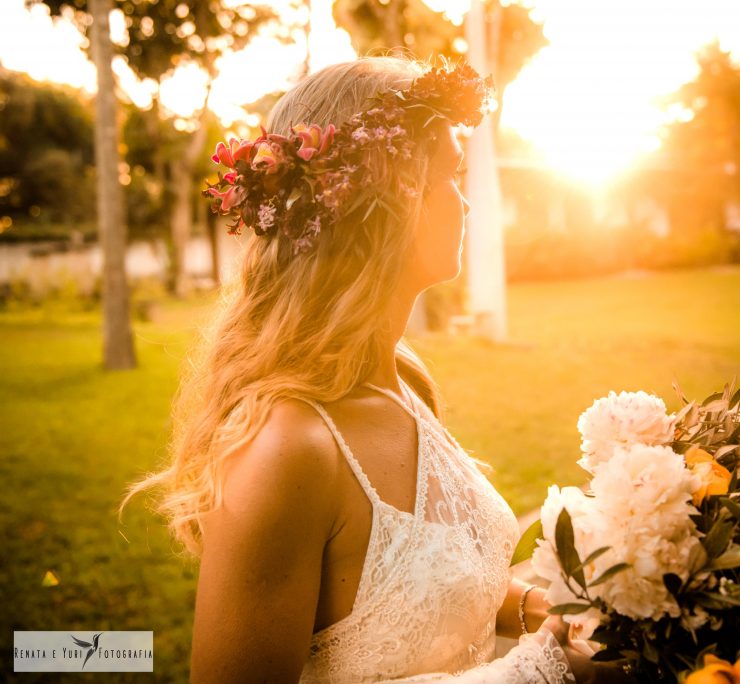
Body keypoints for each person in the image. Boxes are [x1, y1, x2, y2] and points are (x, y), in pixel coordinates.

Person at [119, 56, 632, 683]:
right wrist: (543, 674)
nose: (465, 200)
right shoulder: (288, 449)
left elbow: (414, 590)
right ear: (384, 200)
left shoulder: (403, 381)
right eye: (449, 175)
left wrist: (539, 609)